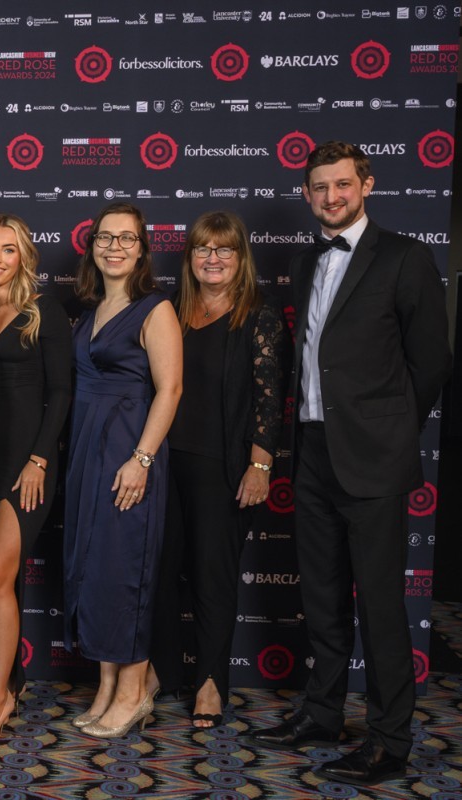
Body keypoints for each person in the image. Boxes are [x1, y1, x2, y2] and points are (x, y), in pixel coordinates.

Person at [251, 141, 451, 786]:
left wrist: (388, 433)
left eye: (342, 184)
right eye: (319, 187)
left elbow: (431, 361)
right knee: (323, 597)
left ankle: (390, 742)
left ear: (366, 185)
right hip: (312, 452)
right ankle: (323, 713)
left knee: (382, 607)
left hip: (374, 460)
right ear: (306, 195)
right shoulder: (305, 260)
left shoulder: (404, 257)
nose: (331, 196)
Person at [149, 210, 290, 729]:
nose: (213, 258)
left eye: (224, 249)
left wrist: (260, 465)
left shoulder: (259, 316)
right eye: (203, 249)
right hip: (164, 464)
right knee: (160, 573)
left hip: (223, 469)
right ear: (189, 257)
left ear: (240, 257)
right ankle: (159, 672)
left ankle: (210, 682)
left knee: (213, 578)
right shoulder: (171, 311)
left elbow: (270, 400)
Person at [63, 202, 182, 739]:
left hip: (129, 454)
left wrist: (142, 459)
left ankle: (134, 690)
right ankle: (108, 685)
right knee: (96, 570)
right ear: (92, 246)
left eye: (126, 238)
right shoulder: (92, 309)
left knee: (124, 569)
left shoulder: (155, 308)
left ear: (142, 249)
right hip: (88, 451)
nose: (114, 247)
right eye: (105, 238)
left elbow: (171, 389)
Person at [0, 214, 72, 745]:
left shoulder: (43, 311)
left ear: (24, 256)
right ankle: (10, 680)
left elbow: (61, 393)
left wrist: (40, 460)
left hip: (26, 466)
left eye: (8, 249)